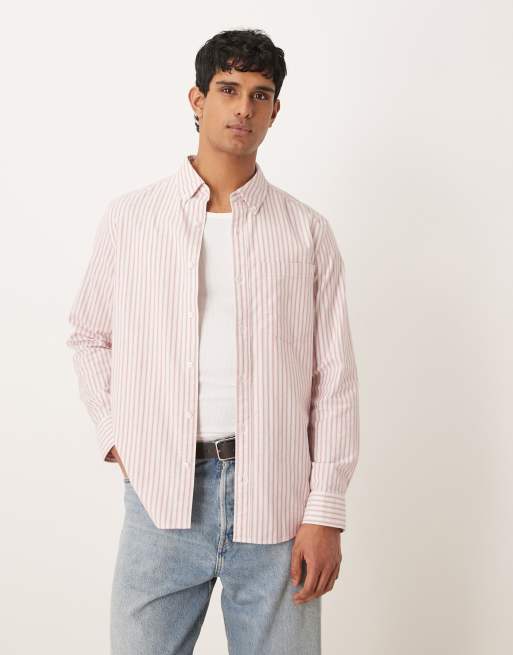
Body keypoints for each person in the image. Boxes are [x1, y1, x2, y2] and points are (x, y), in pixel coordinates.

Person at [66, 27, 360, 655]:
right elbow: (88, 335)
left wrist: (325, 511)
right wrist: (118, 437)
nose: (243, 108)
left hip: (277, 498)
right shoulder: (132, 218)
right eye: (228, 89)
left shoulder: (306, 232)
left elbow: (333, 379)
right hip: (161, 499)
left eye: (260, 95)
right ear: (197, 100)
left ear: (275, 111)